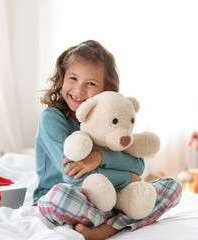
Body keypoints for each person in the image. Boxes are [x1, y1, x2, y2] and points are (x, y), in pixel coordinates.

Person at [33, 40, 182, 240]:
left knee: (173, 186)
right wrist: (127, 178)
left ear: (108, 88)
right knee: (61, 197)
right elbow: (73, 176)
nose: (78, 90)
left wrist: (99, 156)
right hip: (71, 198)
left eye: (91, 83)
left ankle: (105, 226)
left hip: (112, 198)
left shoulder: (109, 116)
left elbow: (137, 165)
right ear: (62, 79)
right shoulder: (52, 118)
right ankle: (117, 222)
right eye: (73, 78)